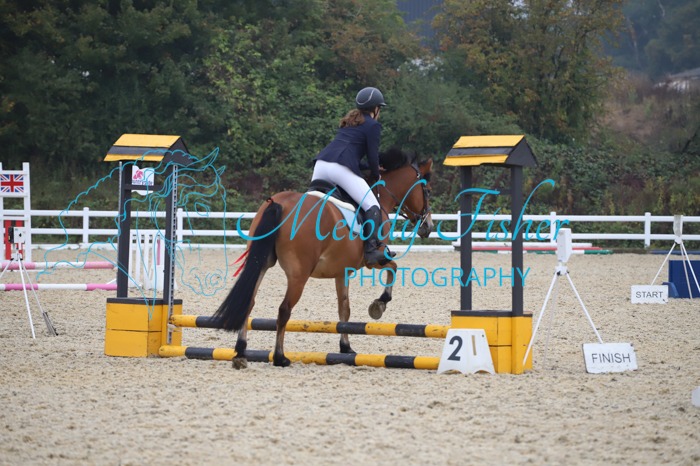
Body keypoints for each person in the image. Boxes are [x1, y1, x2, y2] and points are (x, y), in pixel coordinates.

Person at [312, 86, 393, 266]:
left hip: (321, 165)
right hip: (340, 168)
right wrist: (376, 174)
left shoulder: (350, 122)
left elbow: (350, 155)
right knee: (372, 205)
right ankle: (371, 250)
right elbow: (372, 156)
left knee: (313, 205)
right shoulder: (373, 125)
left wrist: (369, 167)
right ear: (376, 108)